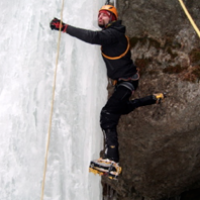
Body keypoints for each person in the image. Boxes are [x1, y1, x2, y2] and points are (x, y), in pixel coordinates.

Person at [50, 4, 165, 179]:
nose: (100, 17)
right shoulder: (113, 34)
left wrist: (64, 27)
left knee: (108, 114)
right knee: (123, 108)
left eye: (104, 15)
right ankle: (153, 99)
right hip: (125, 83)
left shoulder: (114, 34)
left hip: (127, 82)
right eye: (99, 15)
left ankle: (112, 161)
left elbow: (93, 36)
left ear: (112, 18)